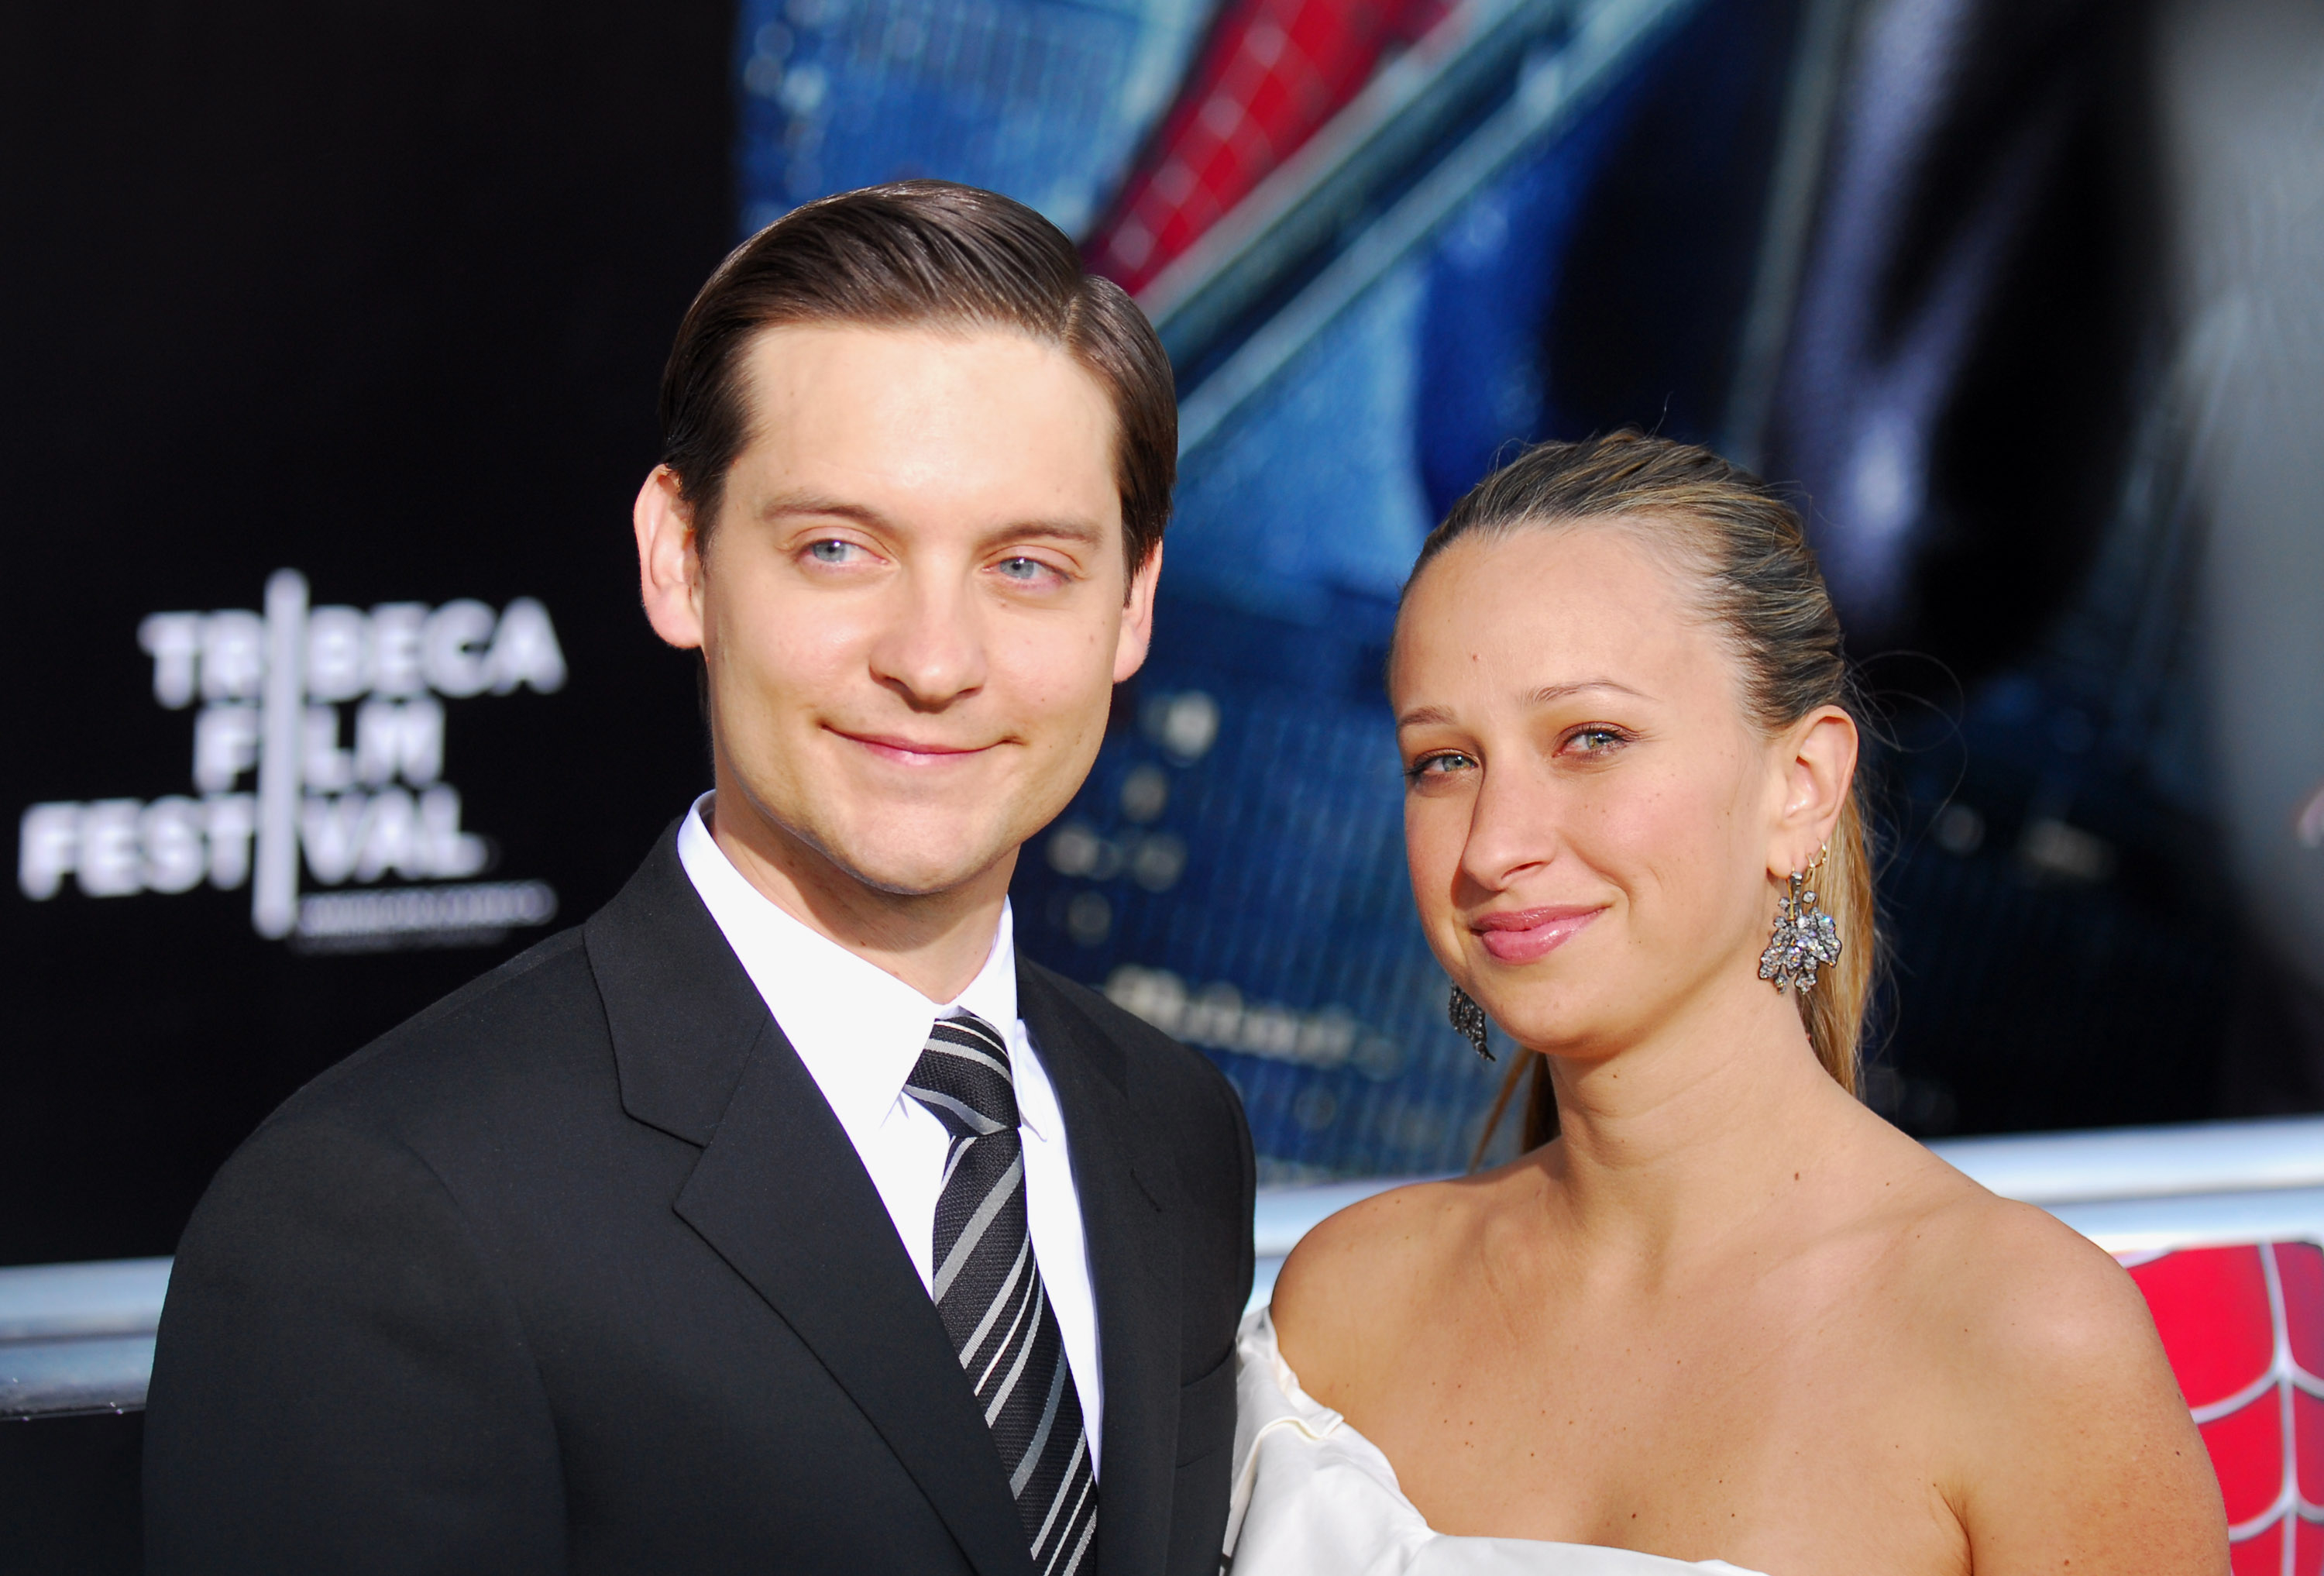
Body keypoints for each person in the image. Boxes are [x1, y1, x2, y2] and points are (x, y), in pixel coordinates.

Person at [143, 181, 1255, 1576]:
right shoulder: (383, 1216)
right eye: (839, 548)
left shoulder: (1174, 1128)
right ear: (681, 557)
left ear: (1133, 605)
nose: (934, 657)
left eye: (1027, 566)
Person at [1234, 433, 2228, 1575]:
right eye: (1442, 761)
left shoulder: (2021, 1335)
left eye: (1591, 739)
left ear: (1800, 787)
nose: (1497, 843)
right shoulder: (1346, 1301)